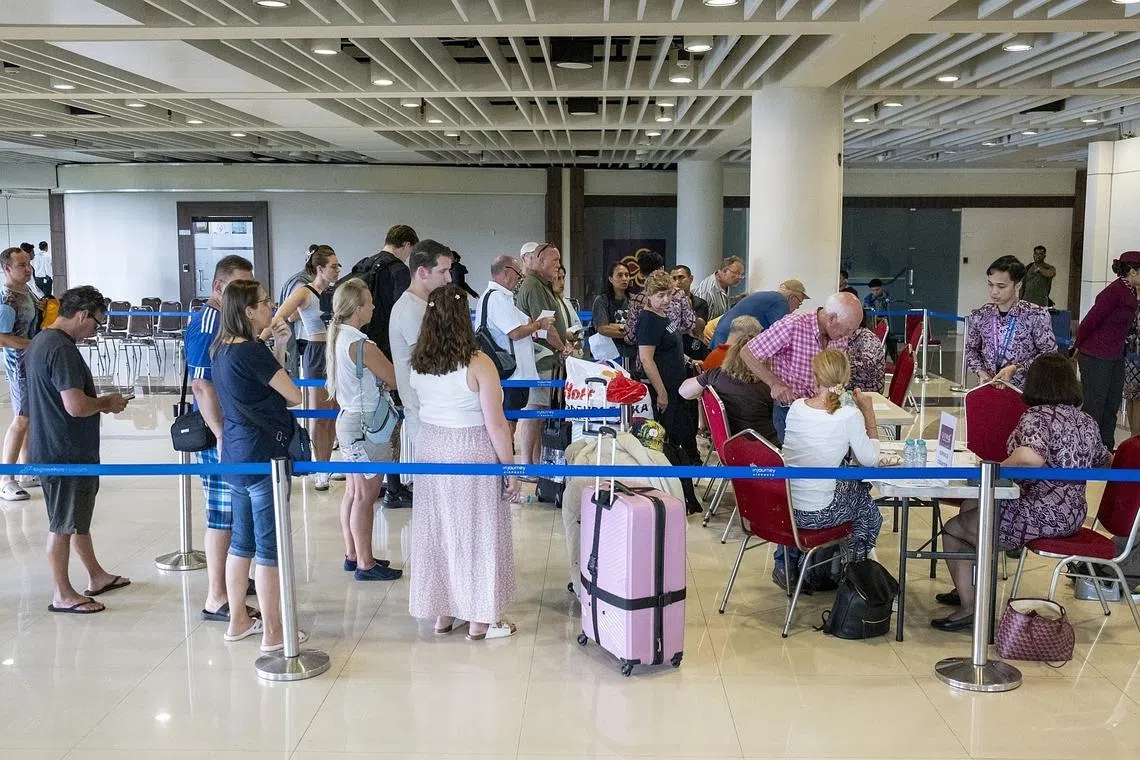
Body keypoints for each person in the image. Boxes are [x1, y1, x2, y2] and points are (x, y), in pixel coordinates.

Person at [932, 354, 1108, 631]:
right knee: (970, 506)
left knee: (954, 529)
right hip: (1073, 514)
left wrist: (996, 468)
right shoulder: (1086, 421)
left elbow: (1030, 458)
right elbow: (1103, 460)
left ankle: (970, 608)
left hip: (1041, 513)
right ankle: (965, 588)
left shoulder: (1037, 417)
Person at [408, 284, 518, 640]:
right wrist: (511, 468)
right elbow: (496, 423)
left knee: (439, 529)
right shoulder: (477, 362)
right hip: (470, 448)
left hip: (431, 446)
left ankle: (443, 612)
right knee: (477, 530)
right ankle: (479, 617)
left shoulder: (418, 361)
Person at [211, 279, 305, 653]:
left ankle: (238, 620)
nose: (271, 308)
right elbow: (293, 395)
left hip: (234, 455)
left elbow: (261, 388)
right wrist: (275, 350)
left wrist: (277, 347)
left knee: (241, 543)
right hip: (264, 455)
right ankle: (273, 632)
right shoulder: (251, 352)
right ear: (249, 311)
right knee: (270, 548)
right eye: (265, 303)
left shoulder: (221, 349)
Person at [26, 286, 129, 614]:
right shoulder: (63, 349)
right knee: (62, 524)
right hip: (65, 450)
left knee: (75, 518)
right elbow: (75, 405)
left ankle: (96, 575)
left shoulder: (42, 341)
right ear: (82, 315)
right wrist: (108, 404)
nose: (94, 331)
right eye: (96, 323)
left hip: (56, 445)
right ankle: (62, 593)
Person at [184, 254, 256, 623]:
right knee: (222, 514)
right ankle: (217, 594)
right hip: (221, 434)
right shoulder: (209, 320)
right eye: (236, 288)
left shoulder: (229, 320)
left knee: (237, 510)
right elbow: (201, 382)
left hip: (236, 431)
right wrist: (220, 433)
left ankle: (236, 580)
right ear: (218, 288)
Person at [780, 350, 882, 587]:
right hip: (819, 514)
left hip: (787, 510)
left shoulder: (796, 408)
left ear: (814, 377)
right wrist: (869, 415)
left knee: (854, 494)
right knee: (867, 510)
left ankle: (829, 570)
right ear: (846, 381)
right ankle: (855, 577)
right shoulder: (848, 415)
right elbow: (870, 460)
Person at [325, 279, 403, 581]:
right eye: (369, 302)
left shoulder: (338, 337)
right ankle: (366, 563)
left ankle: (353, 553)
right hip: (368, 423)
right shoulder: (361, 345)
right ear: (357, 308)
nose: (373, 306)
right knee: (365, 496)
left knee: (354, 492)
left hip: (349, 419)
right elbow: (394, 377)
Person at [346, 223, 418, 508]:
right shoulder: (399, 271)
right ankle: (395, 486)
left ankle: (373, 483)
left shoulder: (364, 264)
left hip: (361, 348)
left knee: (370, 419)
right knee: (392, 422)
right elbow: (402, 313)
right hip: (387, 352)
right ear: (407, 245)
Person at [741, 292, 864, 441]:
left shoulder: (840, 336)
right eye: (849, 329)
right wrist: (774, 384)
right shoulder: (793, 325)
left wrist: (843, 397)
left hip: (823, 411)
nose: (850, 335)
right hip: (790, 410)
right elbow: (748, 352)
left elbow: (836, 376)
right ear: (832, 319)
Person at [271, 245, 341, 491]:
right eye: (333, 266)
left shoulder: (334, 293)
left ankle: (327, 464)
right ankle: (319, 468)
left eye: (338, 266)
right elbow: (279, 316)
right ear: (319, 268)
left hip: (335, 352)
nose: (337, 270)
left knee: (333, 414)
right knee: (320, 413)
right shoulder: (304, 292)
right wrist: (262, 340)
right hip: (316, 352)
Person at [637, 270, 701, 514]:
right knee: (669, 445)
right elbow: (647, 358)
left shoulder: (664, 316)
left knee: (681, 440)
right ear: (649, 295)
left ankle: (685, 497)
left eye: (669, 295)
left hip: (678, 387)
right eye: (660, 295)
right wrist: (661, 392)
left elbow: (671, 348)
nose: (665, 300)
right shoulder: (649, 321)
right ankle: (675, 496)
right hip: (666, 391)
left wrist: (688, 359)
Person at [390, 240, 454, 475]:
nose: (448, 279)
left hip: (436, 412)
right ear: (422, 272)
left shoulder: (425, 305)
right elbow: (435, 362)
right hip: (426, 414)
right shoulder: (410, 310)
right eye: (443, 271)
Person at [1074, 251, 1140, 450]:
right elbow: (1091, 321)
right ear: (1133, 272)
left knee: (1111, 404)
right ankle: (1087, 449)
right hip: (1096, 355)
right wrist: (1077, 346)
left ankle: (1105, 449)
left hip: (1115, 354)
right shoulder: (1114, 291)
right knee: (1095, 405)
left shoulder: (1131, 291)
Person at [514, 242, 571, 465]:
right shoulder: (534, 286)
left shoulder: (542, 285)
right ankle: (528, 463)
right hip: (541, 360)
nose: (558, 265)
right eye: (554, 260)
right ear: (539, 261)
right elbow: (545, 325)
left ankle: (536, 463)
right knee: (535, 411)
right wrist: (562, 347)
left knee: (541, 411)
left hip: (547, 359)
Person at [964, 255, 1056, 390]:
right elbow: (971, 349)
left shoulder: (1036, 315)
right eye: (990, 284)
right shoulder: (980, 315)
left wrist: (1016, 368)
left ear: (1017, 285)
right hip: (988, 388)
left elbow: (1049, 354)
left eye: (1001, 286)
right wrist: (980, 372)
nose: (994, 291)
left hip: (1025, 392)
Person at [477, 256, 552, 418]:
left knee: (510, 419)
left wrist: (531, 325)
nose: (519, 280)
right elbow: (516, 333)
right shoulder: (497, 298)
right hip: (509, 372)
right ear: (506, 271)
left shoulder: (497, 297)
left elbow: (525, 322)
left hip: (507, 371)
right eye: (518, 275)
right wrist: (539, 325)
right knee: (507, 421)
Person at [679, 321, 776, 444]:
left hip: (726, 444)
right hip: (763, 446)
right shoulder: (766, 389)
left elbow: (683, 392)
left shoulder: (715, 376)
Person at [0, 246, 40, 502]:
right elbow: (2, 338)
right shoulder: (7, 301)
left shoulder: (26, 291)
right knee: (21, 419)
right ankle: (7, 479)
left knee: (30, 419)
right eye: (21, 265)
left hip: (33, 362)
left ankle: (27, 470)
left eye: (29, 264)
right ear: (6, 269)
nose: (28, 269)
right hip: (20, 366)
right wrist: (34, 345)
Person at [708, 280, 809, 350]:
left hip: (721, 337)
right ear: (792, 297)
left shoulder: (768, 296)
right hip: (730, 342)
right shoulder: (781, 302)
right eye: (799, 302)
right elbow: (780, 333)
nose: (798, 307)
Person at [623, 250, 695, 346]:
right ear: (662, 269)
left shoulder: (636, 300)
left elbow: (630, 337)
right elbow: (689, 324)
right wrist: (673, 330)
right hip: (672, 350)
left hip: (645, 351)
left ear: (641, 273)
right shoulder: (678, 293)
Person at [277, 244, 318, 376]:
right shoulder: (301, 283)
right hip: (304, 338)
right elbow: (291, 315)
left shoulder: (308, 281)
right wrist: (316, 311)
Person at [590, 261, 635, 365]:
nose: (624, 278)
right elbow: (603, 329)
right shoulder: (601, 300)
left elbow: (640, 327)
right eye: (620, 275)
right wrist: (631, 332)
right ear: (610, 279)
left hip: (632, 354)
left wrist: (614, 326)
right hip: (609, 356)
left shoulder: (634, 300)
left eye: (627, 275)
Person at [671, 265, 709, 360]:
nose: (677, 282)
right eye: (674, 278)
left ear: (690, 279)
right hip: (673, 350)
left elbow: (698, 329)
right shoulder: (666, 304)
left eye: (681, 277)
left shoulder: (700, 303)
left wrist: (687, 306)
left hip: (694, 351)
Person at [552, 265, 583, 354]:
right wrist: (564, 334)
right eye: (558, 278)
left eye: (563, 278)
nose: (562, 283)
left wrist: (576, 339)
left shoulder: (567, 303)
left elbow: (578, 327)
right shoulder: (547, 303)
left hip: (571, 352)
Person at [846, 325, 886, 394]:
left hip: (866, 391)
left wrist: (839, 364)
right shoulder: (851, 335)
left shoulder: (868, 339)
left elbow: (867, 365)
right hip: (855, 385)